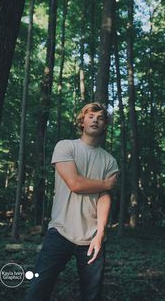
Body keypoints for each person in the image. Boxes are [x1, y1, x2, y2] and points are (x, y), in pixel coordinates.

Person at [26, 102, 119, 301]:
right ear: (82, 121)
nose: (95, 119)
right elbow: (75, 183)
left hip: (92, 239)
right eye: (91, 115)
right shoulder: (65, 146)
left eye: (101, 118)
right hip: (60, 232)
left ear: (105, 126)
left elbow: (104, 197)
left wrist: (100, 233)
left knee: (91, 296)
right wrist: (105, 184)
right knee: (37, 291)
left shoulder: (110, 161)